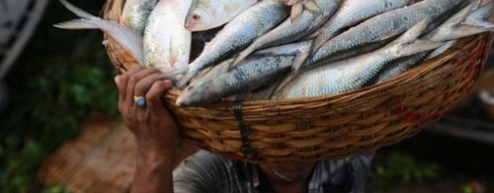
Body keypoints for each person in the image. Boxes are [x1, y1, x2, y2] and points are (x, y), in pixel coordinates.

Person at [115, 66, 374, 192]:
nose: (291, 152)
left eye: (303, 128)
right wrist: (153, 154)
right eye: (274, 135)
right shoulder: (209, 173)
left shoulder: (348, 142)